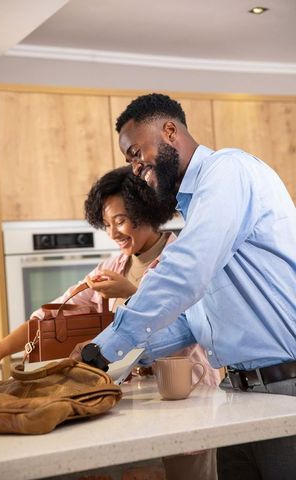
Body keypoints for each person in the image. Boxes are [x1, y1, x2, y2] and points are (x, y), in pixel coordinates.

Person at [83, 93, 296, 480]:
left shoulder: (228, 170)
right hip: (238, 393)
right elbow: (193, 322)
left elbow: (187, 271)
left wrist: (107, 344)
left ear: (169, 131)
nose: (135, 168)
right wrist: (119, 360)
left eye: (136, 152)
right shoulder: (196, 208)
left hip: (286, 389)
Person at [0, 165, 220, 479]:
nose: (114, 233)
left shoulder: (184, 258)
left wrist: (130, 291)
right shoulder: (115, 264)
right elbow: (52, 315)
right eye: (106, 224)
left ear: (147, 209)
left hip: (188, 400)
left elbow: (192, 321)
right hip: (133, 407)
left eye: (120, 220)